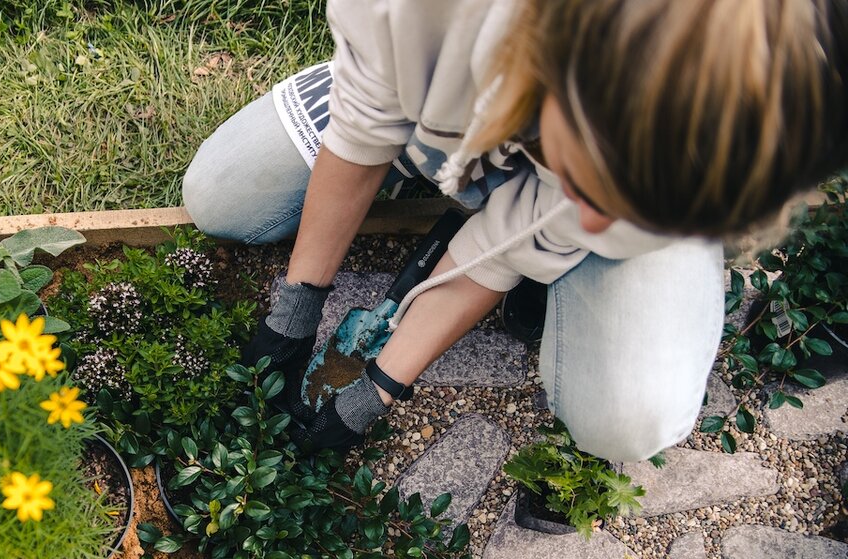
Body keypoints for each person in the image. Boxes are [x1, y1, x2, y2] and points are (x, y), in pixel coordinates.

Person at [181, 0, 848, 462]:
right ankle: (439, 109)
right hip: (453, 66)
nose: (593, 223)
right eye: (592, 186)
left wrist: (382, 383)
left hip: (572, 126)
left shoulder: (725, 146)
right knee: (222, 195)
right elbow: (361, 127)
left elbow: (521, 238)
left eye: (629, 212)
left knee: (628, 415)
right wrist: (295, 311)